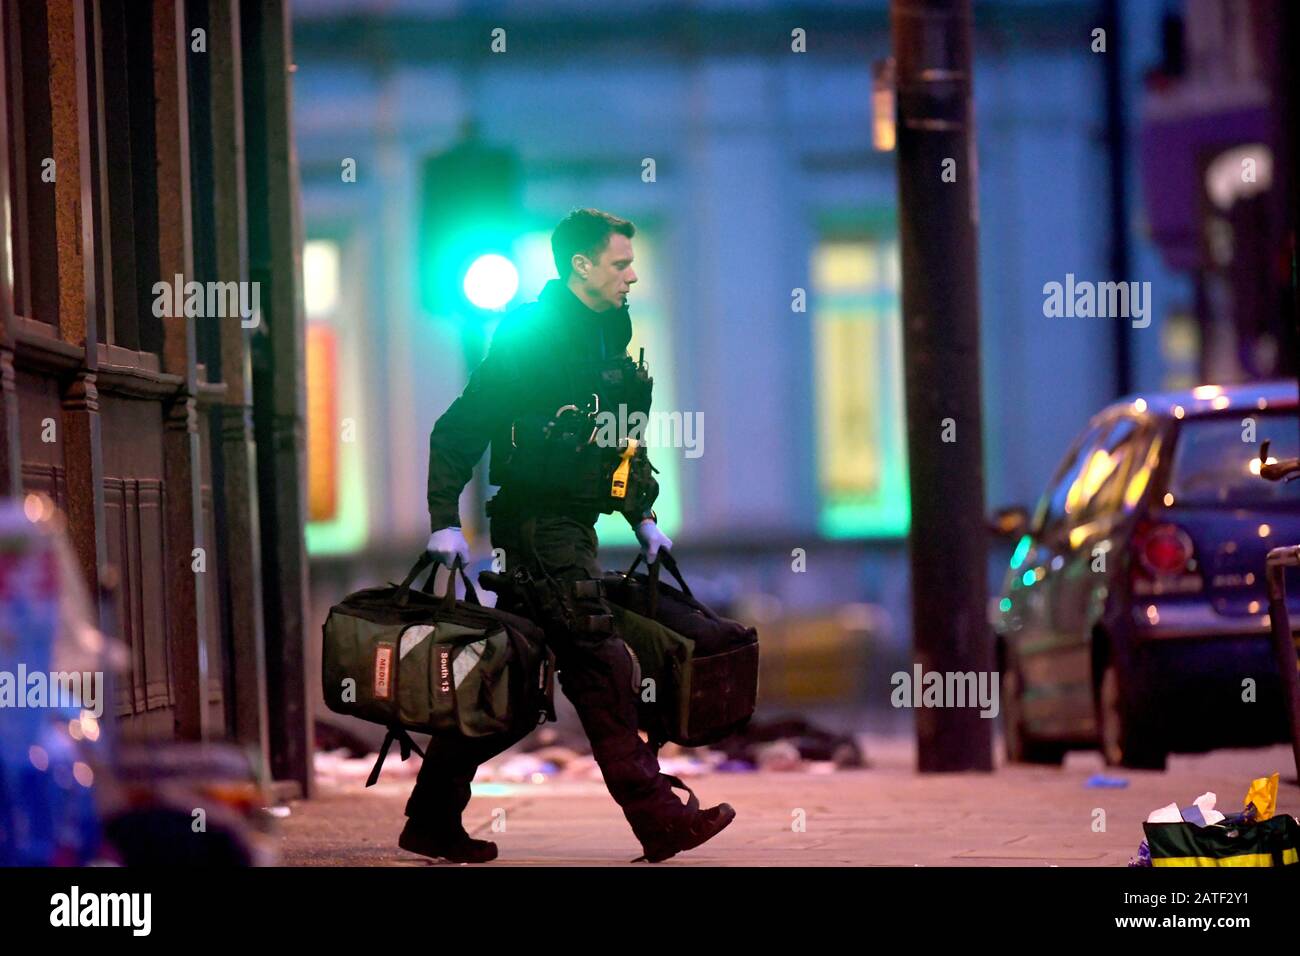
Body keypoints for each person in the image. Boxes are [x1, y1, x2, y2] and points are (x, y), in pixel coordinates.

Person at [401, 208, 735, 863]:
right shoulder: (529, 334)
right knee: (599, 663)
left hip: (574, 526)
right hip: (537, 525)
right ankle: (658, 819)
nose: (632, 276)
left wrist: (642, 513)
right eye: (619, 264)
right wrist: (444, 520)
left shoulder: (614, 328)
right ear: (581, 266)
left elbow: (619, 437)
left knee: (513, 687)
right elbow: (461, 427)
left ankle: (431, 820)